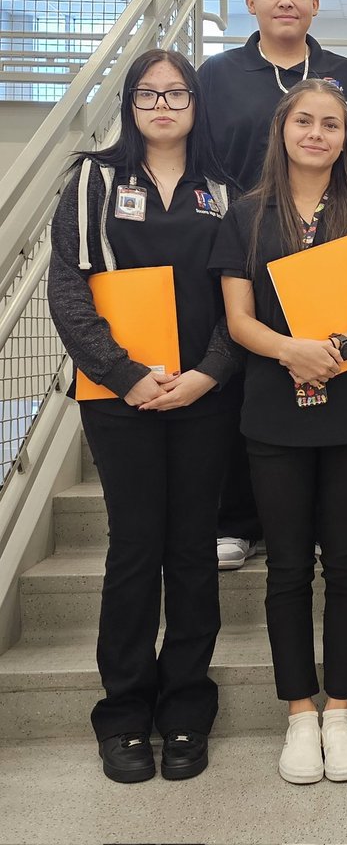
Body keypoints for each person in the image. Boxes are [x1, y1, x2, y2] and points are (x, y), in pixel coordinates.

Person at [210, 78, 347, 785]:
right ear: (283, 128)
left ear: (345, 140)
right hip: (273, 411)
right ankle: (299, 713)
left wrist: (338, 351)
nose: (317, 133)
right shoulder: (246, 216)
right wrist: (290, 351)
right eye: (305, 121)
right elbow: (237, 320)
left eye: (331, 124)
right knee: (289, 568)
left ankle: (340, 709)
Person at [47, 48, 241, 784]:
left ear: (196, 104)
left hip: (202, 396)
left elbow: (242, 296)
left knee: (191, 549)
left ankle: (187, 707)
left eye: (177, 93)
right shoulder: (93, 180)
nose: (162, 105)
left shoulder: (224, 189)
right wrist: (126, 375)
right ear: (128, 105)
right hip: (119, 400)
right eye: (147, 94)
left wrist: (206, 375)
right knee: (133, 549)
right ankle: (124, 713)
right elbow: (69, 289)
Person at [199, 0, 347, 570]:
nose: (285, 1)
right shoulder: (218, 74)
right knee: (245, 376)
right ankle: (240, 519)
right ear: (250, 3)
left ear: (314, 5)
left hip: (337, 249)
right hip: (248, 242)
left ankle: (316, 521)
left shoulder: (343, 74)